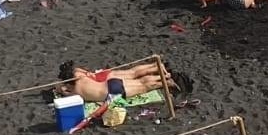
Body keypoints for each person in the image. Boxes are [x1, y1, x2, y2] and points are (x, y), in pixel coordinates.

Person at [55, 60, 189, 102]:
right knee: (137, 77)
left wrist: (60, 88)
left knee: (143, 85)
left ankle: (164, 82)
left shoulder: (75, 91)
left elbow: (62, 90)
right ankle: (162, 76)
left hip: (111, 92)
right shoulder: (80, 75)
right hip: (110, 83)